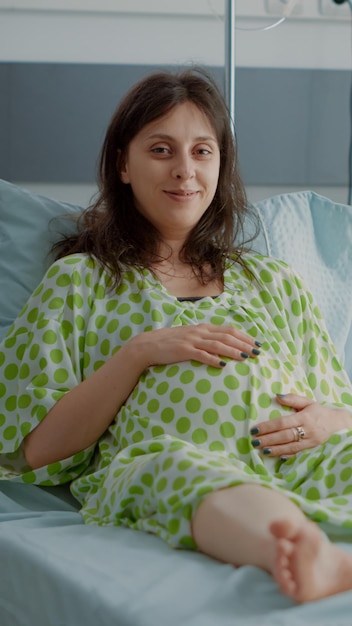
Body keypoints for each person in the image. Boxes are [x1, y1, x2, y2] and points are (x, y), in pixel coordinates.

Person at [1, 67, 352, 604]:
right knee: (183, 470)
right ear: (123, 163)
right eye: (161, 149)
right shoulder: (80, 281)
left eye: (202, 151)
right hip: (164, 461)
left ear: (221, 164)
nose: (185, 171)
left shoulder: (274, 280)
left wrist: (327, 421)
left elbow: (341, 407)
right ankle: (304, 552)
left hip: (299, 461)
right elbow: (37, 448)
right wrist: (138, 354)